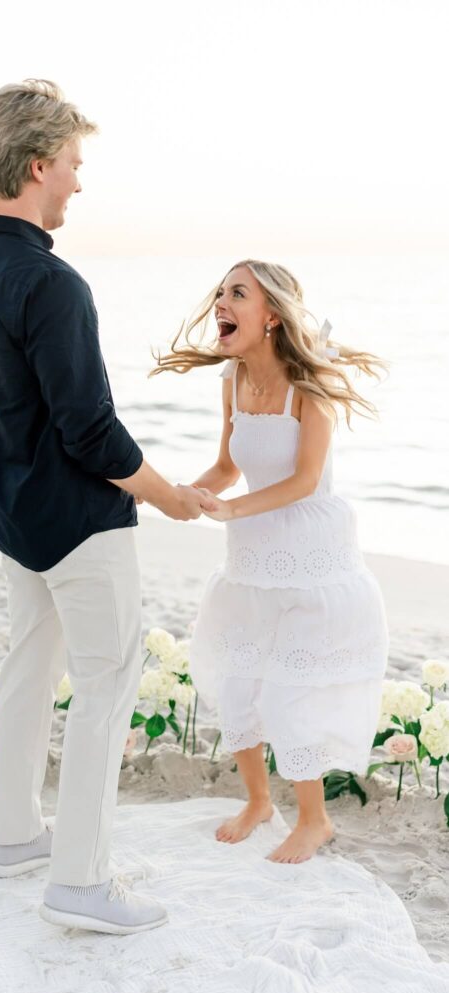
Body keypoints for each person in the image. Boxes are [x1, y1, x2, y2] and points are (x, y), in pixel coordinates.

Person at [0, 79, 215, 934]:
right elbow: (90, 432)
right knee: (105, 683)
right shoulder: (51, 283)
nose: (78, 182)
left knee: (31, 667)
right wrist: (168, 495)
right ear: (35, 166)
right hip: (76, 523)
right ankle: (81, 884)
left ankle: (17, 838)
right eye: (71, 164)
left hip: (13, 516)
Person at [151, 260, 389, 863]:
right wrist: (192, 493)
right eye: (220, 293)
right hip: (252, 557)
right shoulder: (231, 379)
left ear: (272, 315)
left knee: (290, 693)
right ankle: (259, 802)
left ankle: (315, 820)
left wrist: (233, 511)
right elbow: (229, 464)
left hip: (311, 559)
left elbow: (307, 481)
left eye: (238, 294)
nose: (221, 303)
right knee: (240, 684)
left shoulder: (310, 387)